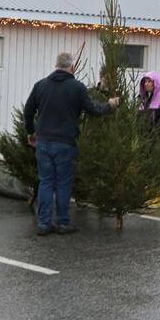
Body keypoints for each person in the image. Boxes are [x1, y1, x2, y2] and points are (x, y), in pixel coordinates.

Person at [23, 52, 119, 236]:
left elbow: (28, 112)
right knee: (63, 183)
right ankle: (63, 223)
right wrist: (109, 105)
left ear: (56, 65)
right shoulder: (77, 88)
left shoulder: (40, 86)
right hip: (65, 143)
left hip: (43, 142)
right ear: (72, 67)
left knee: (45, 182)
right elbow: (93, 109)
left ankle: (43, 224)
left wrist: (31, 132)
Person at [138, 72, 160, 209]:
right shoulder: (144, 101)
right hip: (144, 141)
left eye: (149, 81)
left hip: (157, 140)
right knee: (147, 168)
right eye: (145, 81)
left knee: (157, 168)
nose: (147, 84)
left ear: (155, 83)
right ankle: (148, 196)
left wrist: (156, 134)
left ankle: (159, 198)